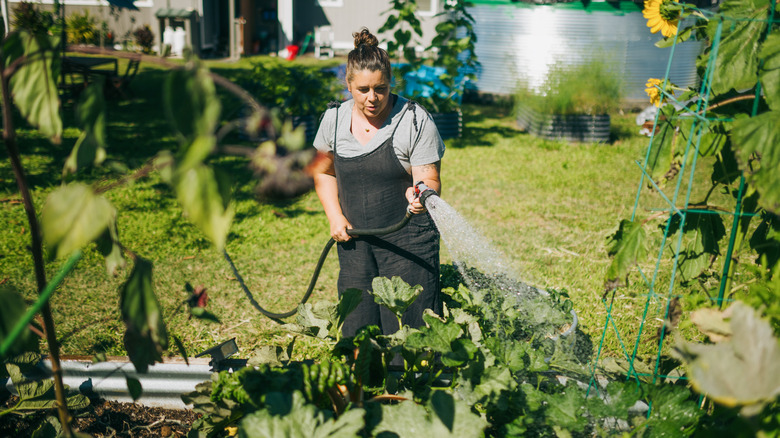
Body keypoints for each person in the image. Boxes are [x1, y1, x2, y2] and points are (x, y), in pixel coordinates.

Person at [312, 27, 445, 337]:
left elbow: (429, 177)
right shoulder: (333, 121)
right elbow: (322, 172)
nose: (373, 98)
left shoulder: (414, 120)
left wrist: (422, 194)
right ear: (348, 85)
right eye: (363, 90)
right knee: (358, 330)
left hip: (409, 242)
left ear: (390, 84)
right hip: (355, 242)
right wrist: (335, 216)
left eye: (381, 89)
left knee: (414, 334)